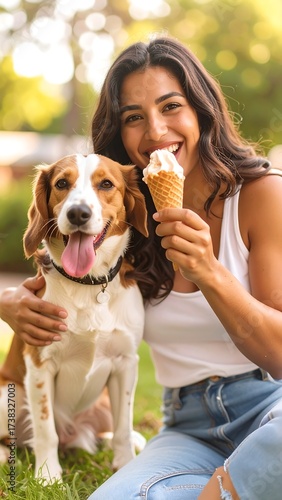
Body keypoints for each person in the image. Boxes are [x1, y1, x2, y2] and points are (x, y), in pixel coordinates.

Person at [1, 35, 282, 500]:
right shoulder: (124, 211)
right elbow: (61, 283)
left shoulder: (261, 195)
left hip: (270, 406)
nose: (155, 131)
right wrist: (10, 302)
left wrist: (209, 270)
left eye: (171, 106)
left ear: (203, 111)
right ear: (120, 133)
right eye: (134, 117)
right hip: (187, 427)